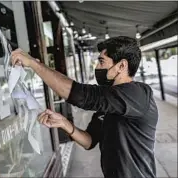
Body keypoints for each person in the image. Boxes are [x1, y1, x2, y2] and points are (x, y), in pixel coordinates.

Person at [11, 36, 158, 178]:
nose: (97, 67)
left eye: (102, 62)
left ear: (122, 65)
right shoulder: (108, 104)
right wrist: (64, 123)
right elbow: (89, 141)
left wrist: (34, 64)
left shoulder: (139, 94)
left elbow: (81, 95)